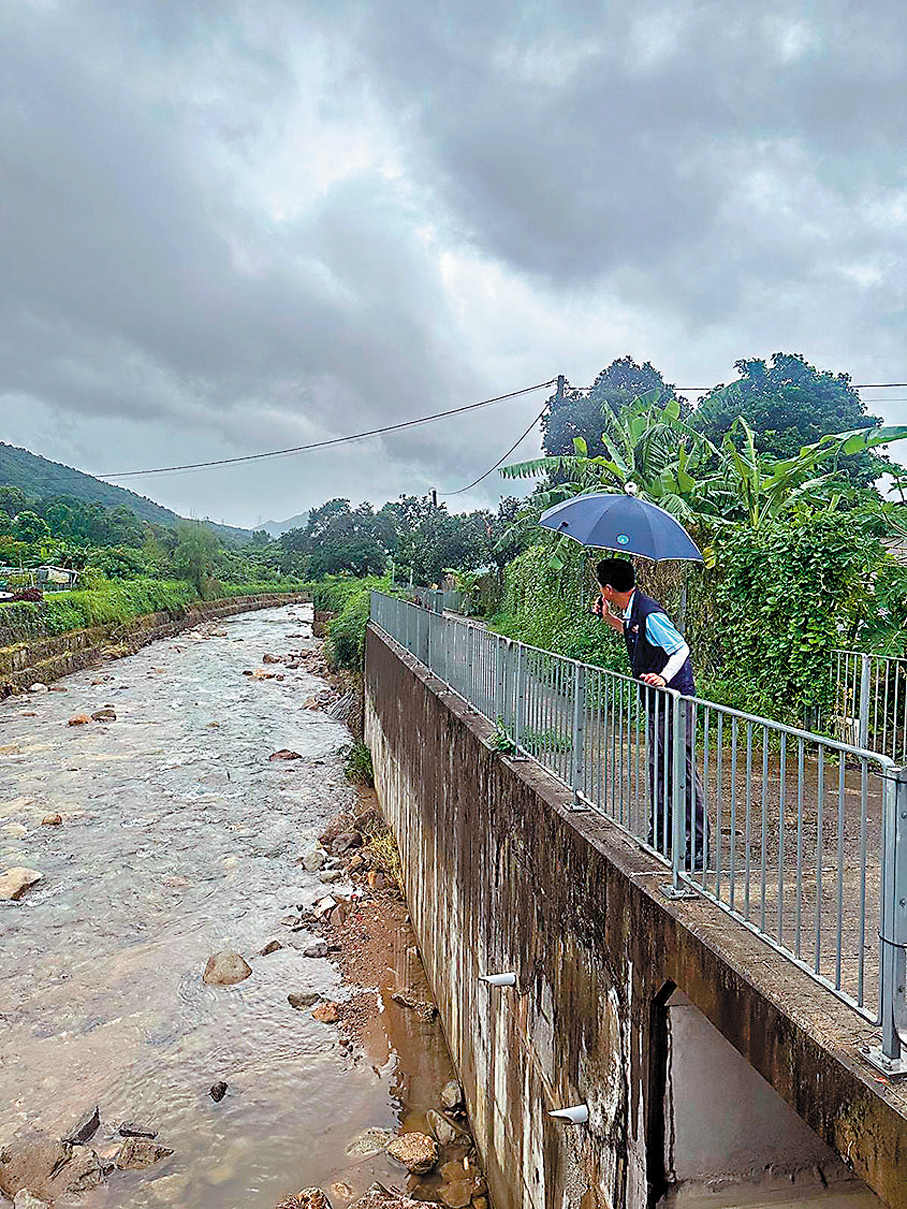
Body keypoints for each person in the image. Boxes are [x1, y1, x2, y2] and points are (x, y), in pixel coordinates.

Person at [592, 557, 706, 867]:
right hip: (657, 704)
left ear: (608, 588)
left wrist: (664, 678)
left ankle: (696, 844)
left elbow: (680, 648)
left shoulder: (651, 614)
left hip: (675, 702)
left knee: (679, 770)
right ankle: (662, 835)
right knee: (659, 768)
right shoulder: (632, 611)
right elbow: (631, 632)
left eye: (601, 588)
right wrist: (609, 618)